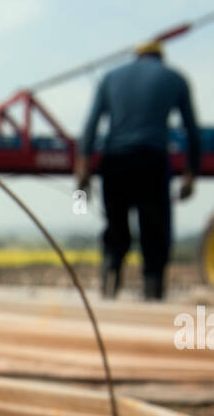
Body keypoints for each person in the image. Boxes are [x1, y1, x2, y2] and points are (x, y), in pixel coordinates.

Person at [76, 41, 200, 301]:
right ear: (160, 58)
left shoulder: (111, 77)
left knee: (115, 226)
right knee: (154, 229)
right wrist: (190, 175)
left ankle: (110, 276)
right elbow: (191, 131)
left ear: (137, 56)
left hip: (115, 162)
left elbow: (90, 126)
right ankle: (153, 286)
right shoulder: (175, 78)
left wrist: (84, 170)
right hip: (152, 162)